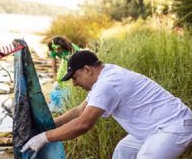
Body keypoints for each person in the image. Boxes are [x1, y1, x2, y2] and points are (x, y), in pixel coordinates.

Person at [21, 50, 192, 158]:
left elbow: (83, 125)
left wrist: (45, 137)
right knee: (123, 151)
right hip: (153, 127)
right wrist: (46, 125)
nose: (75, 84)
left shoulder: (108, 84)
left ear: (87, 70)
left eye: (75, 78)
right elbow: (80, 110)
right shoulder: (105, 73)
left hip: (173, 127)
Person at [47, 36, 86, 113]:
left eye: (58, 48)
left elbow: (80, 62)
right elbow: (53, 64)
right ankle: (60, 105)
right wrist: (54, 77)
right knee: (60, 79)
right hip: (65, 61)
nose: (56, 51)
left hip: (75, 62)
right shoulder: (53, 50)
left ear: (63, 46)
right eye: (55, 49)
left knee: (71, 82)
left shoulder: (72, 49)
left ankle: (70, 102)